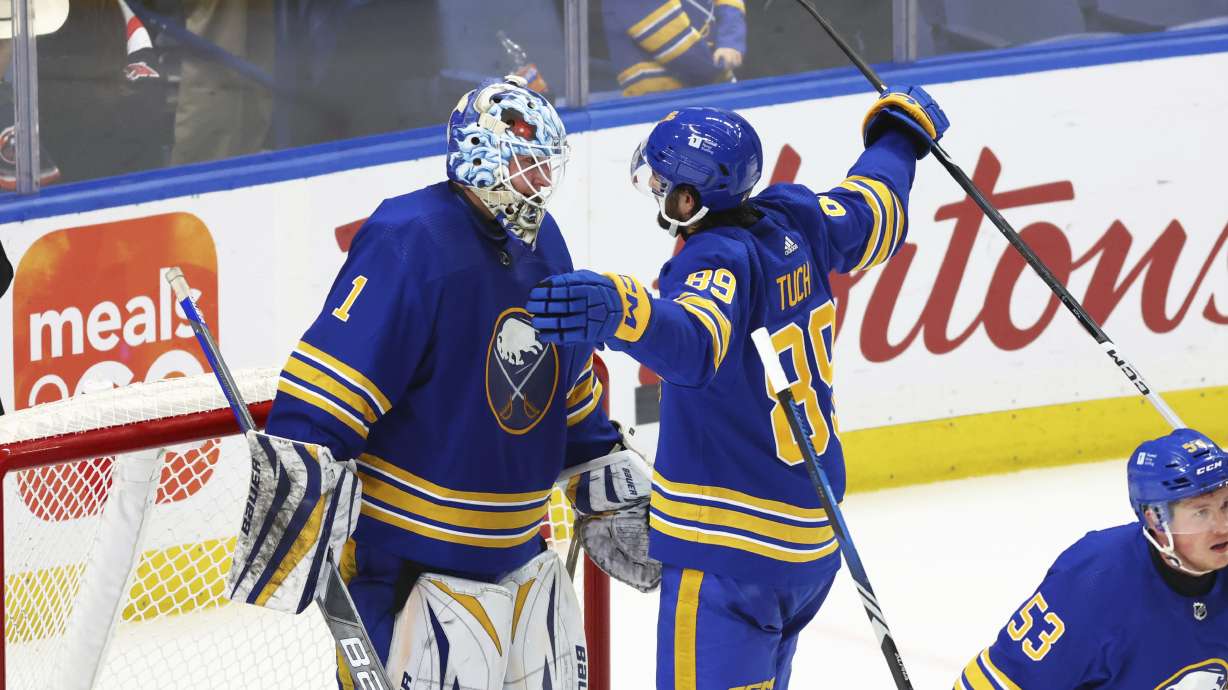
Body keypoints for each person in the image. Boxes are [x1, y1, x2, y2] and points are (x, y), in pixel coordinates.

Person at [527, 88, 949, 688]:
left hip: (732, 553)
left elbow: (696, 340)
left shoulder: (714, 261)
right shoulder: (796, 219)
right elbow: (874, 208)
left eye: (662, 180)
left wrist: (622, 309)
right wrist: (899, 137)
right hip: (810, 544)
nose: (653, 186)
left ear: (689, 197)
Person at [263, 74, 652, 689]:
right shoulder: (410, 237)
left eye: (546, 167)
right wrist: (299, 481)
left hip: (521, 559)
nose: (540, 182)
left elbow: (564, 377)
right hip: (410, 562)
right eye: (526, 165)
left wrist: (598, 466)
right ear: (479, 155)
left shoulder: (544, 242)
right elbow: (331, 382)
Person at [954, 428, 1228, 689]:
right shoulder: (1093, 583)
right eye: (1200, 513)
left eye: (1226, 505)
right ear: (1155, 519)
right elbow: (999, 683)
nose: (1223, 527)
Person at [603, 0, 747, 96]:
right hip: (659, 107)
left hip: (707, 96)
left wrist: (730, 41)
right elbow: (685, 55)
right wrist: (722, 66)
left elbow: (731, 5)